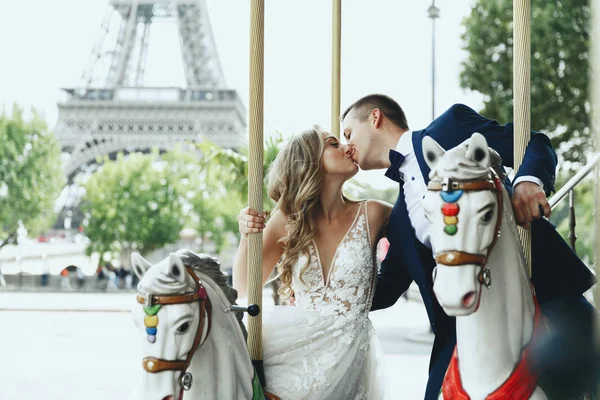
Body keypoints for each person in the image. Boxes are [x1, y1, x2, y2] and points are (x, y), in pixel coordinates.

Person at [341, 93, 598, 399]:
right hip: (463, 332)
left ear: (375, 117)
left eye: (348, 133)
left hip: (544, 288)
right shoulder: (398, 218)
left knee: (582, 359)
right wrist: (327, 287)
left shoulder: (450, 128)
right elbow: (387, 287)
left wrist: (528, 182)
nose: (346, 146)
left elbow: (533, 142)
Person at [233, 127, 392, 399]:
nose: (347, 147)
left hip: (350, 357)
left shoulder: (375, 213)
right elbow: (245, 287)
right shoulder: (287, 220)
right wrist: (247, 238)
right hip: (295, 352)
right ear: (309, 161)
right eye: (333, 144)